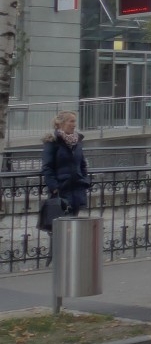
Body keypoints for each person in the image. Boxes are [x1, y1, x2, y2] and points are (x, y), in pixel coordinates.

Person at [41, 110, 90, 264]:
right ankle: (59, 258)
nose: (74, 125)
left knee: (73, 225)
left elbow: (82, 164)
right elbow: (47, 167)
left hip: (76, 189)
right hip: (61, 191)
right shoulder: (53, 141)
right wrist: (54, 188)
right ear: (62, 123)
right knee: (60, 227)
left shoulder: (77, 141)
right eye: (71, 121)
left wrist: (85, 179)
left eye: (75, 121)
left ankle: (70, 258)